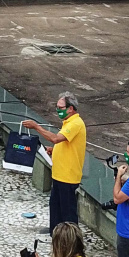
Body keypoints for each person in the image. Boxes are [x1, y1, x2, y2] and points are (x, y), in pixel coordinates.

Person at [23, 92, 87, 234]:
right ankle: (55, 231)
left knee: (67, 211)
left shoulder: (76, 123)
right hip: (58, 173)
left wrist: (37, 127)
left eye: (60, 107)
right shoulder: (67, 123)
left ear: (70, 109)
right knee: (55, 205)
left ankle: (71, 239)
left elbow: (56, 138)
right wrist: (54, 150)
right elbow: (64, 143)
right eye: (57, 107)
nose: (58, 110)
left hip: (68, 176)